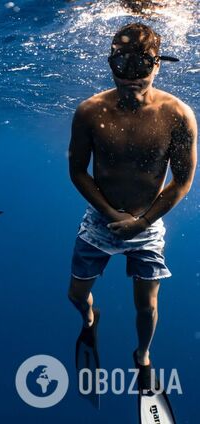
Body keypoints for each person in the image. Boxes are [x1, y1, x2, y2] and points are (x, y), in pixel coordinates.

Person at [67, 23, 197, 391]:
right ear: (110, 63)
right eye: (120, 63)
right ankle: (91, 318)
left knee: (147, 306)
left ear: (158, 64)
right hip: (100, 221)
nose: (129, 75)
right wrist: (112, 216)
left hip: (148, 224)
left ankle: (142, 356)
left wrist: (142, 223)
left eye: (139, 64)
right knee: (75, 295)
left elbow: (182, 180)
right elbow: (76, 171)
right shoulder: (90, 111)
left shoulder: (178, 115)